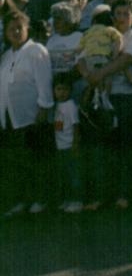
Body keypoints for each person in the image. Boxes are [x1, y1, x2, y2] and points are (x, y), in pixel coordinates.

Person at [84, 0, 132, 209]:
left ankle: (125, 194)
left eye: (125, 14)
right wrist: (91, 76)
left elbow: (126, 60)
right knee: (107, 149)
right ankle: (105, 195)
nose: (121, 18)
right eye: (117, 14)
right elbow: (83, 57)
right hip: (105, 98)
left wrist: (99, 73)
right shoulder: (105, 35)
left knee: (127, 149)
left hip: (128, 98)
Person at [0, 11, 54, 215]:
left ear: (26, 29)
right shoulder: (7, 55)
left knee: (35, 162)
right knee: (17, 162)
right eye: (11, 28)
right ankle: (22, 200)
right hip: (10, 117)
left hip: (32, 116)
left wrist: (43, 109)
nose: (15, 32)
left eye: (19, 28)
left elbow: (44, 82)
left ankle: (40, 199)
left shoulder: (36, 51)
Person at [52, 73, 83, 213]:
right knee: (63, 175)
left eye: (64, 89)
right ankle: (66, 199)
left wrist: (75, 144)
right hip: (60, 146)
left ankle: (77, 201)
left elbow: (76, 125)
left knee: (73, 175)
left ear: (70, 90)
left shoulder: (71, 106)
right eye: (58, 89)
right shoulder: (56, 105)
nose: (61, 92)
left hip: (70, 146)